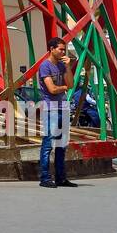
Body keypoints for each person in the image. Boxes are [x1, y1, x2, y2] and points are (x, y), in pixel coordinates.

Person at [38, 37, 77, 187]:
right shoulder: (45, 66)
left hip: (63, 108)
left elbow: (71, 83)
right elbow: (52, 89)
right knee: (48, 144)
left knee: (62, 145)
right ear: (51, 49)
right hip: (51, 109)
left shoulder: (62, 66)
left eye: (64, 49)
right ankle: (45, 178)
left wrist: (68, 67)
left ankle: (61, 178)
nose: (63, 52)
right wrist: (64, 88)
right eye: (60, 49)